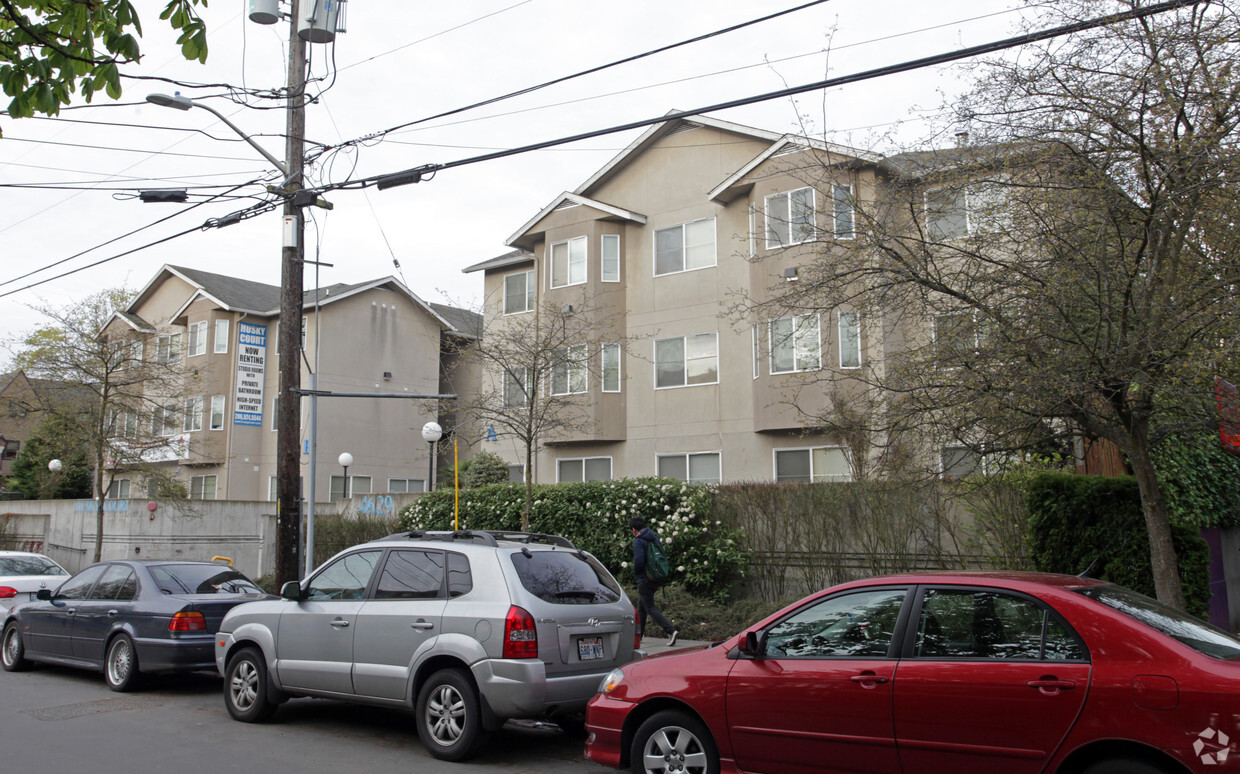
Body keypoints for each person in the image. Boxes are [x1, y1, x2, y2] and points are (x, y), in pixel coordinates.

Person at [630, 516, 678, 646]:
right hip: (655, 576)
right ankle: (639, 635)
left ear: (634, 529)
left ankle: (670, 630)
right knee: (642, 607)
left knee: (650, 608)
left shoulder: (639, 541)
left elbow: (639, 561)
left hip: (645, 578)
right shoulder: (653, 537)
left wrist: (636, 574)